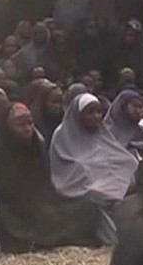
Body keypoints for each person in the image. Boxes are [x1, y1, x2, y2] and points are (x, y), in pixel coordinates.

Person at [0, 103, 101, 252]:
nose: (27, 129)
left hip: (42, 202)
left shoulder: (36, 145)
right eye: (20, 125)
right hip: (14, 209)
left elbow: (45, 183)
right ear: (7, 127)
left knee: (89, 207)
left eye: (30, 123)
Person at [49, 93, 138, 244]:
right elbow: (66, 172)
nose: (97, 116)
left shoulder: (101, 133)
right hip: (84, 192)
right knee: (98, 200)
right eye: (90, 112)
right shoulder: (63, 135)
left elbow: (118, 157)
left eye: (99, 112)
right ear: (78, 115)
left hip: (112, 188)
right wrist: (104, 182)